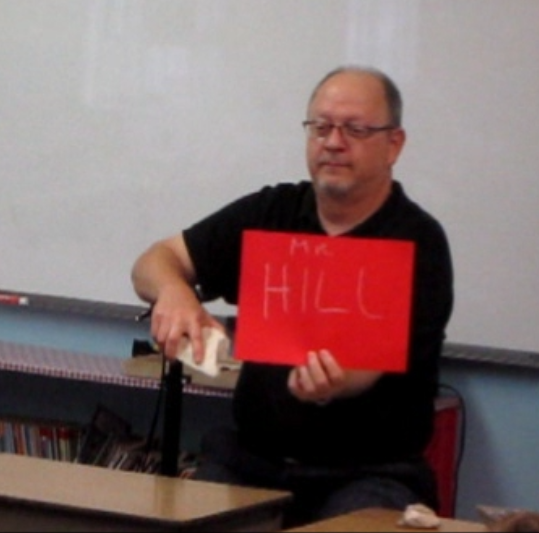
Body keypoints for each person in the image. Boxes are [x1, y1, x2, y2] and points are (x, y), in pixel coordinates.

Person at [131, 65, 453, 526]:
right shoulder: (273, 212)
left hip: (368, 472)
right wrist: (174, 292)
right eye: (320, 127)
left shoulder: (417, 241)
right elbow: (154, 260)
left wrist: (334, 384)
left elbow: (366, 366)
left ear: (394, 144)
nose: (334, 141)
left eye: (355, 129)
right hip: (252, 461)